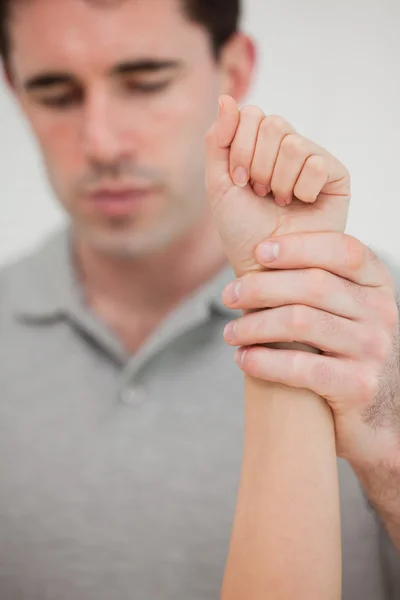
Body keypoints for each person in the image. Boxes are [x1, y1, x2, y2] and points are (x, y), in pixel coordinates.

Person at [0, 0, 399, 598]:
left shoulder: (378, 326)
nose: (102, 142)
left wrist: (390, 457)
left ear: (233, 72)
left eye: (146, 83)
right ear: (13, 87)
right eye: (57, 94)